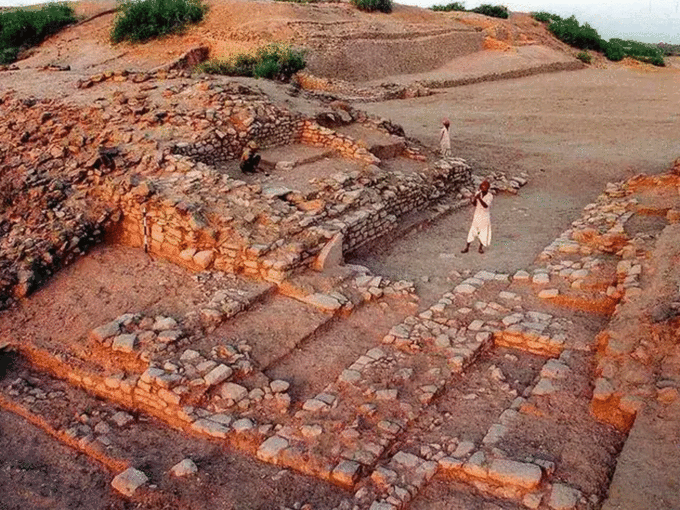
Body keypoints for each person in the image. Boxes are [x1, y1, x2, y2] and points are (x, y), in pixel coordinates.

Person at [462, 180, 493, 254]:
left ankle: (480, 248)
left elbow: (485, 206)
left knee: (483, 231)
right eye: (482, 188)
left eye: (485, 188)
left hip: (485, 216)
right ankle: (467, 247)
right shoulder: (478, 193)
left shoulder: (490, 196)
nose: (483, 189)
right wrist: (474, 198)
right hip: (477, 214)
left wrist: (479, 198)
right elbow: (475, 204)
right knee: (473, 230)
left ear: (488, 188)